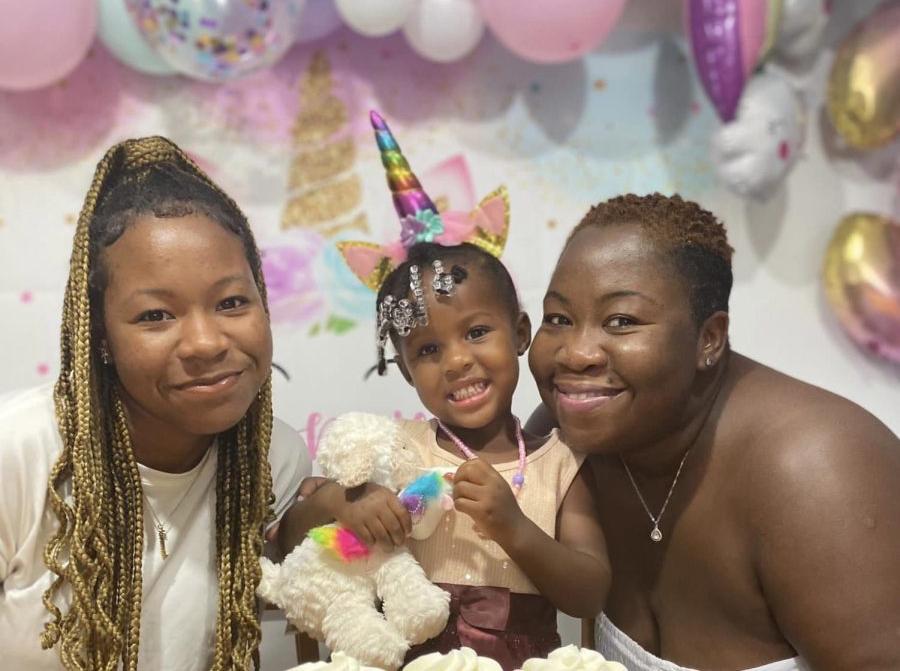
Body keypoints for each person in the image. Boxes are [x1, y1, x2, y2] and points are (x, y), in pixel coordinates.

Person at [275, 112, 610, 670]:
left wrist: (515, 528)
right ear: (407, 372)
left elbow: (590, 592)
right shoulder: (397, 450)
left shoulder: (560, 465)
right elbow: (290, 535)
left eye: (477, 333)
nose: (456, 361)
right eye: (428, 351)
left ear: (520, 334)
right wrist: (344, 502)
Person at [525, 193, 900, 671]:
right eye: (558, 319)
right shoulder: (567, 442)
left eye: (621, 321)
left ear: (710, 339)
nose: (575, 354)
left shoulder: (815, 467)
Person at [0, 137, 311, 671]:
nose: (206, 342)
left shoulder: (274, 459)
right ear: (100, 335)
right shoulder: (19, 452)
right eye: (155, 316)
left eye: (232, 302)